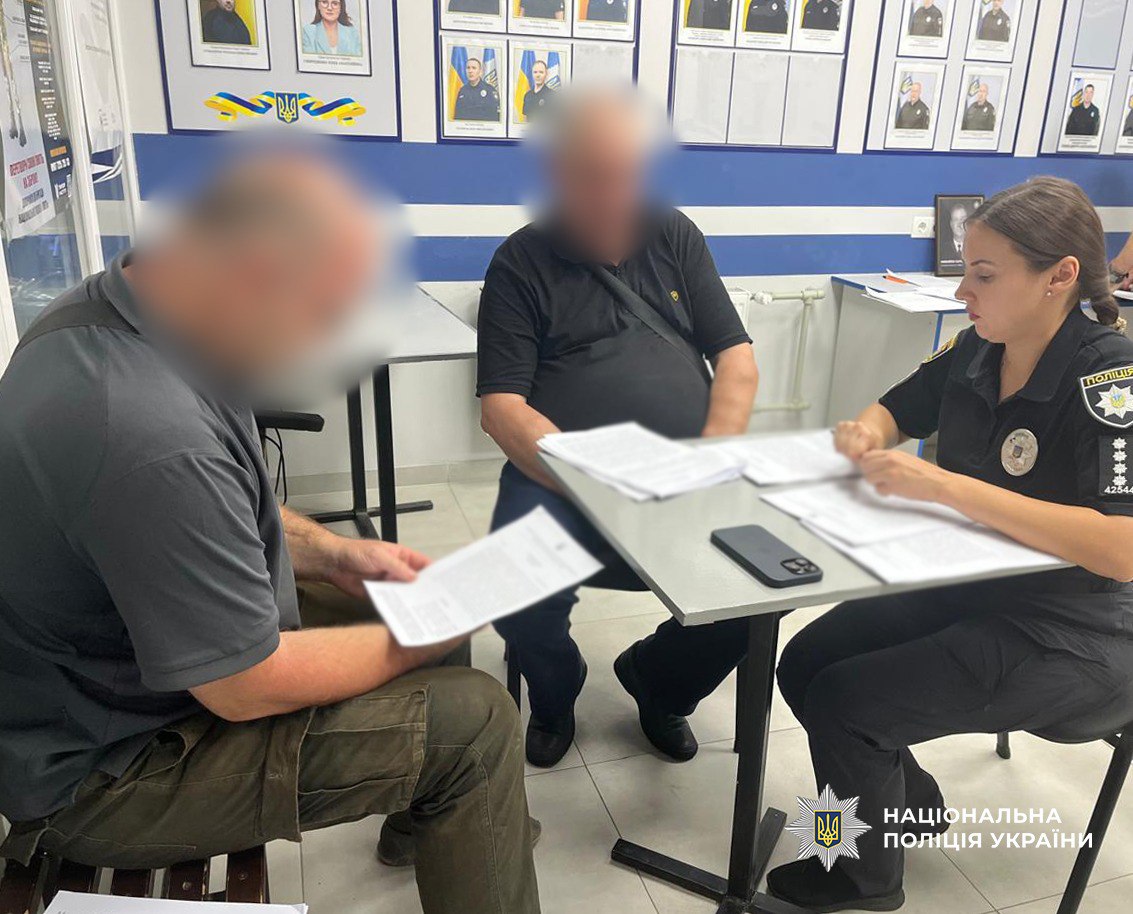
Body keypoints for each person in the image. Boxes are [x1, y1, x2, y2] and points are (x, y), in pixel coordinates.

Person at [0, 152, 541, 914]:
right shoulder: (145, 429)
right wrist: (415, 637)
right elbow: (243, 684)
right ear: (253, 273)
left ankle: (440, 822)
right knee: (475, 725)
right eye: (321, 316)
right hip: (108, 773)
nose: (318, 348)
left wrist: (335, 554)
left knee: (408, 597)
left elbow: (208, 504)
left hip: (122, 667)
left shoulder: (119, 311)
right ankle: (464, 790)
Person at [766, 176, 1133, 913]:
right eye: (966, 270)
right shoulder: (978, 347)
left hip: (1079, 629)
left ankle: (861, 877)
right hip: (979, 584)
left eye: (984, 275)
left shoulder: (1111, 377)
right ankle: (902, 807)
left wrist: (944, 487)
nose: (963, 290)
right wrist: (863, 434)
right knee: (804, 662)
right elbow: (899, 407)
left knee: (845, 701)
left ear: (1059, 276)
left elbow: (1121, 548)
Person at [477, 90, 759, 768]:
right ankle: (555, 692)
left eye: (626, 176)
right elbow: (502, 409)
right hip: (562, 476)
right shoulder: (519, 262)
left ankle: (658, 682)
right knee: (515, 586)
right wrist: (596, 480)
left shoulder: (673, 235)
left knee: (758, 593)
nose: (614, 199)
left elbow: (737, 362)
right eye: (593, 179)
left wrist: (708, 462)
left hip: (685, 470)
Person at [454, 57, 501, 121]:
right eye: (468, 68)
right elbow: (457, 116)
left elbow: (495, 117)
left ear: (480, 72)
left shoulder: (489, 90)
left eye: (474, 68)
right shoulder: (462, 91)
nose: (470, 71)